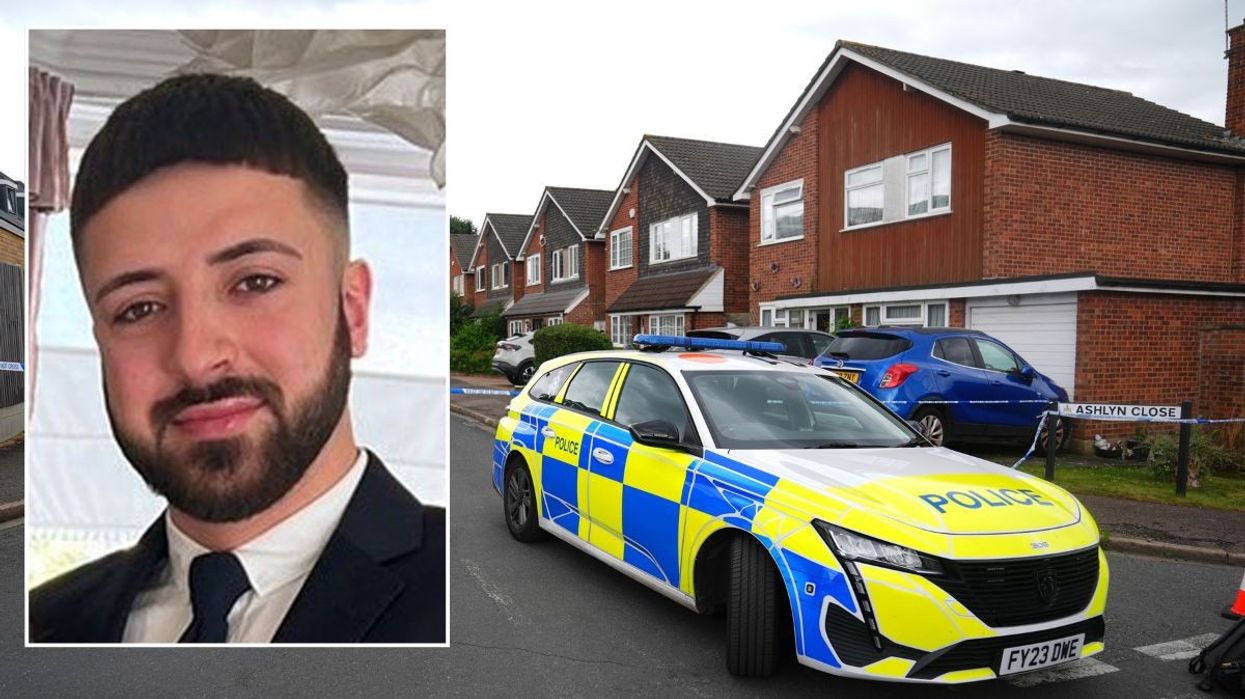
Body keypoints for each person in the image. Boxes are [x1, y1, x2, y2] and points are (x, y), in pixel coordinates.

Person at [30, 73, 446, 644]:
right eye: (139, 309)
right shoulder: (42, 625)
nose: (197, 357)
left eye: (255, 281)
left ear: (352, 311)